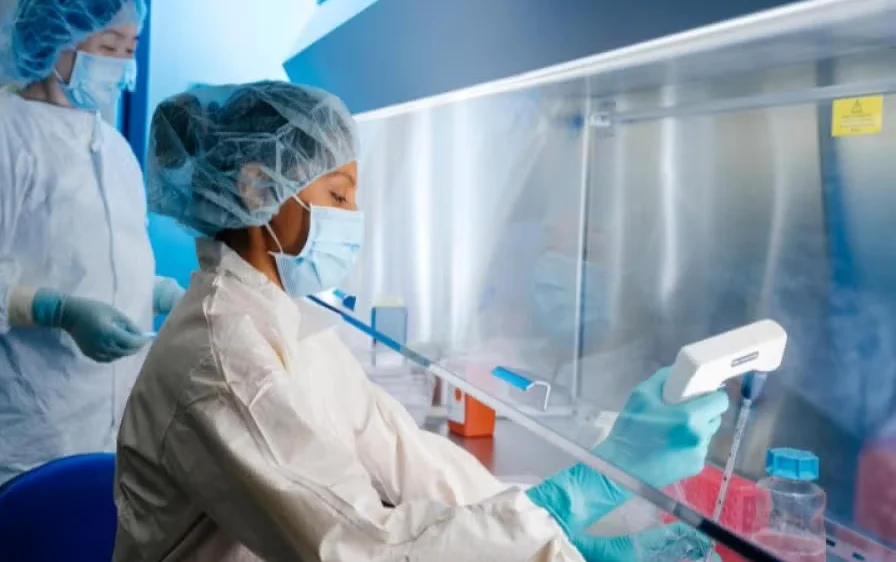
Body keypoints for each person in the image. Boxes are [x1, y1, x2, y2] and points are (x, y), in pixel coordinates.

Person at [113, 81, 730, 561]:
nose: (354, 216)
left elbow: (408, 460)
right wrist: (583, 491)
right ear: (256, 190)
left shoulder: (284, 321)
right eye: (337, 195)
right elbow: (361, 547)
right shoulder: (222, 357)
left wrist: (555, 530)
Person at [0, 1, 184, 560]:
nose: (122, 67)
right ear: (53, 43)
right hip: (11, 442)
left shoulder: (114, 148)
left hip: (104, 445)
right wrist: (54, 309)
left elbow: (101, 261)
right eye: (107, 49)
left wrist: (158, 292)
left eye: (129, 50)